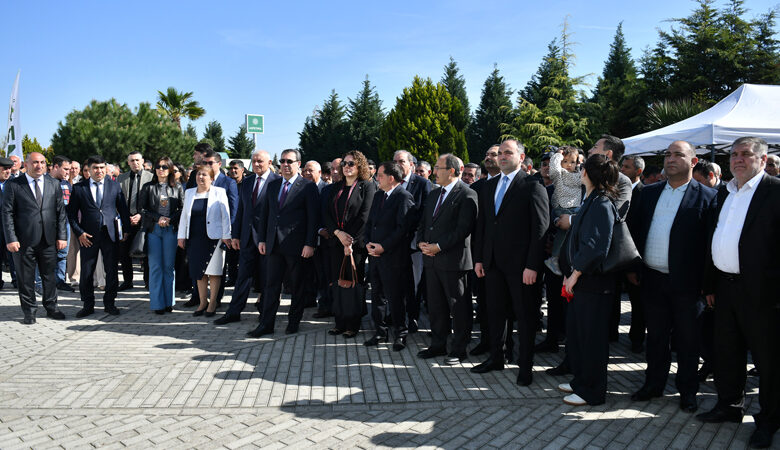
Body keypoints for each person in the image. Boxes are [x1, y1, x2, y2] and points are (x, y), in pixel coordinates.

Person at [697, 137, 780, 449]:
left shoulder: (774, 191)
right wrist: (710, 285)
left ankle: (770, 418)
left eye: (746, 154)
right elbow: (717, 239)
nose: (738, 159)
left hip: (762, 292)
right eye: (734, 154)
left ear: (762, 159)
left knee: (768, 359)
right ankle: (729, 406)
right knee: (727, 352)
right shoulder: (726, 192)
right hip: (725, 288)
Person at [627, 141, 717, 413]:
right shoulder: (649, 193)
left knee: (688, 341)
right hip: (652, 279)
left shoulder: (708, 197)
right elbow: (635, 231)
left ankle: (688, 391)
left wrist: (708, 285)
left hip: (688, 285)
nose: (670, 159)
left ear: (693, 162)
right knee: (655, 337)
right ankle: (653, 384)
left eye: (678, 155)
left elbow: (711, 244)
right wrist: (633, 267)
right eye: (667, 154)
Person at [471, 139, 549, 387]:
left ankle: (525, 367)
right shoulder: (489, 185)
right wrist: (480, 258)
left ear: (521, 156)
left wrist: (533, 265)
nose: (502, 156)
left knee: (525, 318)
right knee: (495, 314)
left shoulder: (532, 185)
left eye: (508, 152)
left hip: (522, 268)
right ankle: (497, 357)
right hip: (493, 264)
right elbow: (483, 225)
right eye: (500, 153)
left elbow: (541, 229)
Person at [556, 153, 619, 406]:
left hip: (594, 284)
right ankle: (580, 381)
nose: (578, 172)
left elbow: (595, 247)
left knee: (592, 340)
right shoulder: (591, 200)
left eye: (581, 168)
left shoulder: (602, 203)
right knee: (580, 335)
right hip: (583, 283)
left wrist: (575, 274)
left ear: (588, 174)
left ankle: (592, 391)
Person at [249, 149, 319, 337]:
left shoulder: (307, 187)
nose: (285, 165)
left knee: (296, 286)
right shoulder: (273, 185)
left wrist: (310, 243)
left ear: (298, 164)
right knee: (270, 286)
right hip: (273, 245)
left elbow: (313, 218)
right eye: (282, 161)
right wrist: (262, 239)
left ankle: (293, 322)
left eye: (289, 161)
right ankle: (266, 324)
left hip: (296, 246)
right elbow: (266, 215)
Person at [416, 154, 478, 364]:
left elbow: (463, 230)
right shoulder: (434, 194)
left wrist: (439, 246)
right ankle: (438, 345)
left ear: (451, 171)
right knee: (436, 306)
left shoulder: (467, 194)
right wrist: (422, 243)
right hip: (431, 260)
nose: (434, 171)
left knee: (458, 307)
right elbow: (425, 223)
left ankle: (459, 349)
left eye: (438, 167)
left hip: (454, 261)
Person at [1, 152, 68, 324]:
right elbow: (7, 213)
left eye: (42, 162)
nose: (39, 166)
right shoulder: (14, 185)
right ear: (26, 164)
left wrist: (62, 236)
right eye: (35, 162)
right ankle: (29, 311)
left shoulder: (53, 184)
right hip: (23, 241)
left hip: (48, 240)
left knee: (49, 277)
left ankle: (51, 307)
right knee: (25, 278)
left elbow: (60, 213)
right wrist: (11, 238)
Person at [214, 150, 280, 325]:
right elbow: (241, 211)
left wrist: (268, 238)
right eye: (254, 161)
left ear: (269, 162)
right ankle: (234, 311)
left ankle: (265, 314)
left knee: (267, 278)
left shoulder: (277, 182)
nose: (257, 164)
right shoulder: (248, 181)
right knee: (243, 276)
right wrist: (235, 235)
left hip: (267, 239)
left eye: (260, 161)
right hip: (246, 238)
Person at [66, 155, 130, 317]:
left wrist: (126, 231)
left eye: (102, 168)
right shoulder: (80, 188)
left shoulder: (114, 186)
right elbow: (71, 215)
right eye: (95, 168)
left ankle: (110, 303)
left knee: (111, 271)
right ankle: (88, 305)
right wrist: (79, 232)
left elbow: (123, 210)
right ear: (89, 169)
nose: (99, 171)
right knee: (86, 272)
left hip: (110, 235)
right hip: (88, 237)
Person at [322, 150, 376, 338]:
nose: (346, 167)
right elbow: (326, 214)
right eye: (344, 163)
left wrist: (349, 239)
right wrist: (338, 234)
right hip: (336, 242)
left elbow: (364, 216)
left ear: (359, 166)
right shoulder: (336, 187)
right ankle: (339, 322)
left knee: (354, 283)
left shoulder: (367, 187)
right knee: (338, 283)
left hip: (356, 245)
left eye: (351, 163)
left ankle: (353, 324)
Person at [364, 161, 415, 350]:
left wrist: (383, 247)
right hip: (375, 256)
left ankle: (400, 333)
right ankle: (380, 332)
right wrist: (368, 242)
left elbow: (403, 230)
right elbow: (370, 223)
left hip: (393, 257)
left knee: (395, 297)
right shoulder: (379, 196)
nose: (377, 178)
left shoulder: (404, 197)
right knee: (377, 296)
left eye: (380, 175)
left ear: (391, 178)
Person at [177, 163, 231, 317]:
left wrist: (227, 235)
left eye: (204, 175)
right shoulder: (189, 193)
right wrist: (181, 236)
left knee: (214, 272)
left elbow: (225, 215)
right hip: (194, 238)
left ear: (212, 178)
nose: (200, 177)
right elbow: (184, 216)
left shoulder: (219, 192)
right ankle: (202, 302)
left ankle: (212, 302)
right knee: (198, 272)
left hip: (214, 238)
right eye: (198, 174)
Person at [139, 157, 184, 314]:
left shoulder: (178, 187)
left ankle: (169, 302)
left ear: (170, 169)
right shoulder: (148, 187)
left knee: (168, 267)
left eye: (165, 167)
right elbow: (143, 209)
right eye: (158, 166)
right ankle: (157, 304)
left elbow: (182, 209)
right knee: (156, 267)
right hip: (154, 230)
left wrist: (170, 219)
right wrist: (158, 218)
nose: (161, 169)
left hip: (171, 230)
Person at [469, 144, 502, 357]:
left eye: (494, 154)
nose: (488, 157)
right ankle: (486, 340)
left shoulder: (515, 185)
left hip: (504, 258)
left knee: (501, 307)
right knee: (483, 303)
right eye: (487, 154)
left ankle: (502, 346)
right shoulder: (479, 187)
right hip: (481, 255)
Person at [393, 150, 431, 333]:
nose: (397, 164)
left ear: (411, 165)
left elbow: (425, 212)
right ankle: (394, 315)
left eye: (401, 161)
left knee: (413, 282)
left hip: (413, 242)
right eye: (395, 161)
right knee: (396, 281)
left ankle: (413, 316)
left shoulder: (422, 184)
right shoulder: (389, 182)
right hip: (393, 243)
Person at [116, 151, 153, 291]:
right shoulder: (121, 178)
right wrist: (126, 218)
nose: (135, 163)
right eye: (132, 160)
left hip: (145, 220)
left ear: (142, 160)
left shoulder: (151, 177)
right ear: (128, 162)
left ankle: (148, 281)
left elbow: (153, 201)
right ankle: (127, 281)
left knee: (147, 252)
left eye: (137, 160)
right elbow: (118, 201)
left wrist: (141, 215)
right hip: (127, 220)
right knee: (124, 252)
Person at [544, 147, 582, 276]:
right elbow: (554, 168)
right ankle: (554, 257)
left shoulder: (579, 175)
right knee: (565, 229)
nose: (569, 165)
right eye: (565, 161)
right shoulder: (558, 174)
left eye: (572, 161)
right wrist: (558, 155)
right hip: (562, 207)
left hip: (576, 208)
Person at [49, 156, 74, 292]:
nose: (68, 172)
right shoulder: (46, 182)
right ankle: (45, 282)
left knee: (63, 254)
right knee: (48, 254)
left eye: (69, 169)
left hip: (65, 224)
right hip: (50, 224)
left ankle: (60, 280)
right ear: (56, 167)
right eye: (65, 169)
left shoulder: (66, 184)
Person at [0, 157, 15, 289]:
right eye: (5, 169)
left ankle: (16, 279)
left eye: (9, 168)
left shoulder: (14, 183)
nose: (8, 171)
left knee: (14, 255)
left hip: (11, 227)